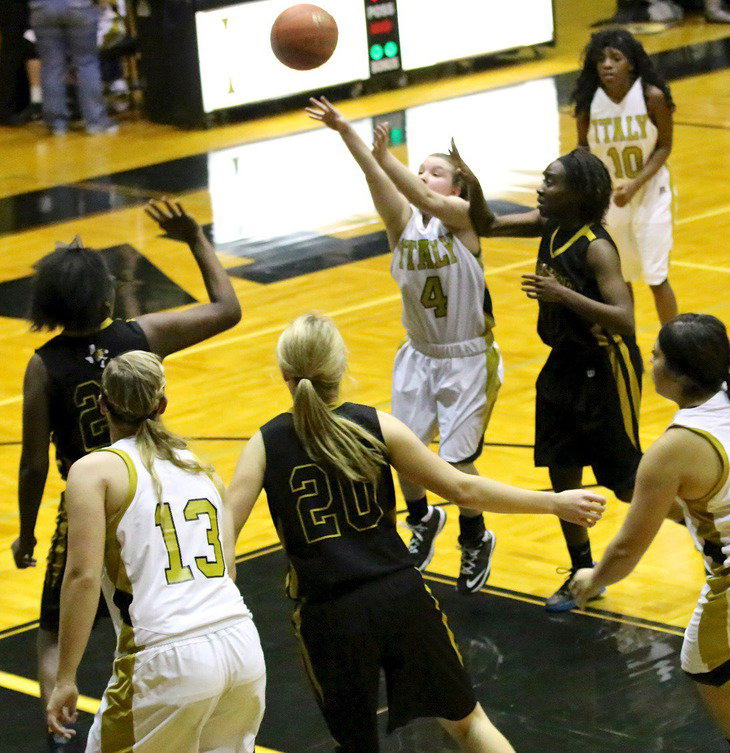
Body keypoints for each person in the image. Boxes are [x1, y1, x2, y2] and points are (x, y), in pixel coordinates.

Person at [227, 312, 605, 753]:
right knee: (469, 725)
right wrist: (554, 502)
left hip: (329, 616)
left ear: (283, 375)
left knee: (355, 745)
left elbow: (222, 539)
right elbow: (465, 487)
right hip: (399, 596)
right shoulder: (377, 425)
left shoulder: (265, 443)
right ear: (341, 367)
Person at [13, 199, 241, 752]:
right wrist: (195, 239)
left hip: (90, 503)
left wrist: (27, 531)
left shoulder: (44, 364)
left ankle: (61, 731)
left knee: (53, 629)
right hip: (151, 493)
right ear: (105, 295)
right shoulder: (139, 336)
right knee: (151, 608)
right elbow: (227, 308)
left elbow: (34, 462)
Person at [571, 313, 730, 753]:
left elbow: (625, 550)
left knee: (705, 667)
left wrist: (592, 578)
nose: (650, 360)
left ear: (674, 373)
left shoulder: (673, 448)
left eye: (655, 354)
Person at [307, 96, 503, 594]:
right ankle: (421, 520)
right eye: (420, 169)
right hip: (418, 354)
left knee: (456, 463)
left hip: (467, 358)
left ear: (457, 185)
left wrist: (389, 157)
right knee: (401, 454)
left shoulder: (462, 216)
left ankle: (475, 536)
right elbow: (377, 181)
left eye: (434, 171)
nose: (424, 176)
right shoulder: (403, 227)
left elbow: (430, 200)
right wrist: (347, 131)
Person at [452, 147, 643, 611]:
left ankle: (713, 538)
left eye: (551, 181)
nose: (541, 187)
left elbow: (625, 319)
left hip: (606, 365)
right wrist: (472, 183)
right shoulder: (549, 225)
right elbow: (487, 225)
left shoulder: (596, 246)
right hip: (564, 364)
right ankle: (582, 572)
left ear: (577, 193)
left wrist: (563, 294)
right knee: (562, 473)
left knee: (625, 483)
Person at [46, 351, 266, 753]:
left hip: (168, 656)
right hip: (242, 644)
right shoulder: (201, 467)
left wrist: (64, 678)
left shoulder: (94, 471)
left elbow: (82, 577)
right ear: (161, 405)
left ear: (102, 405)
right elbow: (228, 571)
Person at [572, 28, 679, 326]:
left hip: (650, 194)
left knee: (656, 277)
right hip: (611, 200)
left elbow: (664, 146)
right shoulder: (589, 103)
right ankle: (626, 344)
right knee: (620, 277)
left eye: (615, 58)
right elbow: (582, 145)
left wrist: (635, 184)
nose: (606, 64)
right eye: (601, 59)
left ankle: (675, 345)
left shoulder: (651, 97)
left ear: (630, 63)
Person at [28, 0, 116, 134]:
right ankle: (95, 121)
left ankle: (56, 124)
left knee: (51, 65)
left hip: (42, 7)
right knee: (86, 64)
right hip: (78, 6)